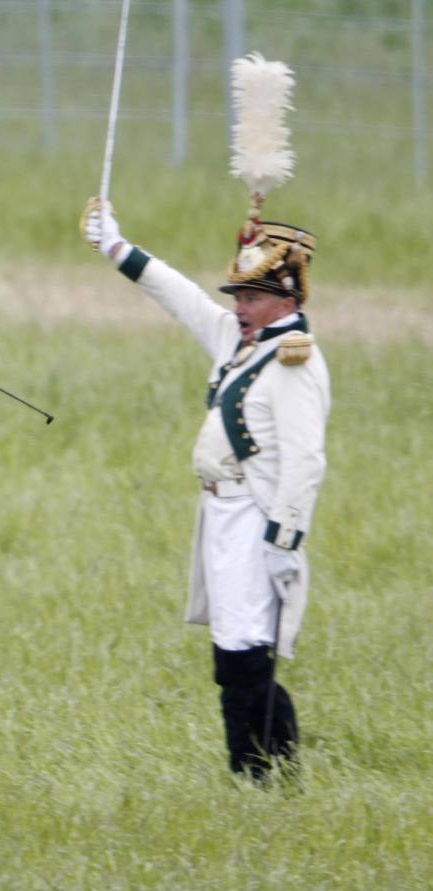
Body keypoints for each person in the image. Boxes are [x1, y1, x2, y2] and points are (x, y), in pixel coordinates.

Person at [83, 199, 330, 779]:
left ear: (286, 302)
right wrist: (116, 246)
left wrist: (283, 540)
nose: (238, 308)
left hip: (257, 519)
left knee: (246, 656)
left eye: (252, 298)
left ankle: (263, 773)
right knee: (232, 648)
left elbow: (305, 462)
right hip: (220, 515)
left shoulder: (295, 362)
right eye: (239, 297)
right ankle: (259, 770)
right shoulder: (241, 340)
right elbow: (182, 297)